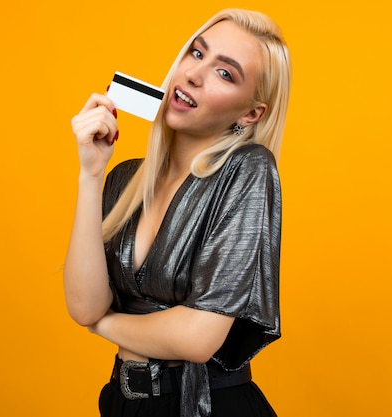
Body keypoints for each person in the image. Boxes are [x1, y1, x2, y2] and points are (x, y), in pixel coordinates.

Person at [64, 8, 291, 417]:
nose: (193, 74)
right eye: (197, 53)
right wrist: (90, 172)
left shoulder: (249, 170)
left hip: (206, 407)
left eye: (226, 73)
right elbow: (84, 304)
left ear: (250, 113)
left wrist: (103, 325)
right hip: (122, 402)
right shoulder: (124, 179)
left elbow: (198, 338)